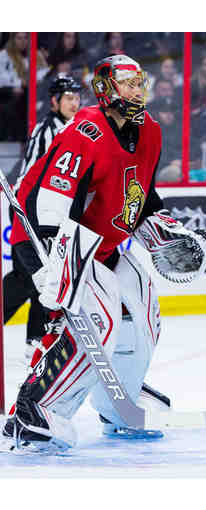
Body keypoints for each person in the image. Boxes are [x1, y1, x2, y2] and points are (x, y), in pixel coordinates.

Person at [1, 54, 206, 452]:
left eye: (139, 83)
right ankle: (35, 410)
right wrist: (50, 263)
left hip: (103, 245)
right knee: (99, 319)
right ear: (105, 89)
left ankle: (119, 405)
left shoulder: (149, 131)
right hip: (54, 239)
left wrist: (163, 232)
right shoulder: (85, 131)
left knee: (144, 311)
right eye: (127, 83)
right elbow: (48, 203)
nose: (137, 91)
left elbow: (140, 196)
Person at [3, 75, 82, 362]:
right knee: (27, 277)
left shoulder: (72, 128)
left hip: (49, 209)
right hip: (29, 208)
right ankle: (35, 336)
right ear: (54, 102)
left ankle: (36, 339)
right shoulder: (47, 129)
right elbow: (34, 175)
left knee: (47, 275)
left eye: (77, 98)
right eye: (69, 98)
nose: (74, 103)